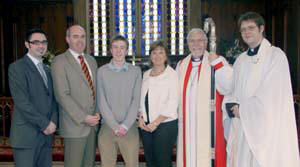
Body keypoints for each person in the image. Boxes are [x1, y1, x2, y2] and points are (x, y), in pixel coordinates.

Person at [223, 11, 300, 167]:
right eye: (243, 29)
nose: (246, 32)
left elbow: (271, 95)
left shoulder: (276, 56)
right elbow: (232, 90)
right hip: (243, 125)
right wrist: (231, 105)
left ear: (261, 28)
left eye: (251, 28)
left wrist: (243, 109)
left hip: (266, 128)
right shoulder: (240, 60)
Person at [176, 28, 232, 167]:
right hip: (187, 123)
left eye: (200, 40)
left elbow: (228, 86)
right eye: (192, 41)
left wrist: (217, 64)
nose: (196, 44)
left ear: (206, 43)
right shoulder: (181, 65)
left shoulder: (217, 60)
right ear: (188, 44)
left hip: (209, 123)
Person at [8, 28, 58, 167]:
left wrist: (53, 122)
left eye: (43, 42)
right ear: (27, 44)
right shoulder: (17, 68)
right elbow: (22, 102)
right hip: (26, 136)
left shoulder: (48, 70)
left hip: (46, 136)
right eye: (36, 42)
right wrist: (45, 124)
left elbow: (53, 99)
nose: (40, 45)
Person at [51, 25, 100, 167]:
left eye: (83, 36)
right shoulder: (59, 61)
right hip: (75, 125)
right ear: (67, 39)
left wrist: (97, 113)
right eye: (75, 36)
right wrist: (84, 117)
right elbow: (62, 95)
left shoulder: (91, 61)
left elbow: (95, 91)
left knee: (89, 164)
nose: (80, 40)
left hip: (92, 126)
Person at [97, 35, 142, 167]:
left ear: (127, 51)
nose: (118, 51)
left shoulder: (135, 71)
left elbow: (136, 100)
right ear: (110, 50)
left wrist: (125, 125)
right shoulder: (101, 71)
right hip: (108, 126)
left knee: (132, 164)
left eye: (122, 48)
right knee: (107, 164)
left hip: (129, 127)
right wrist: (114, 125)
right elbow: (101, 100)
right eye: (115, 47)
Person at [138, 41, 178, 167]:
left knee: (162, 161)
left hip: (164, 125)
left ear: (166, 56)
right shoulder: (146, 74)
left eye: (161, 52)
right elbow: (142, 100)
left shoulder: (172, 74)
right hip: (146, 126)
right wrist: (140, 118)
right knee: (150, 161)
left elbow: (173, 102)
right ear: (150, 56)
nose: (157, 56)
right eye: (154, 52)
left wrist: (155, 123)